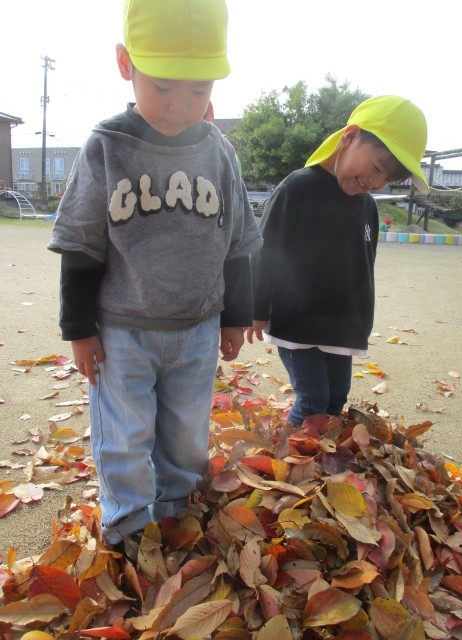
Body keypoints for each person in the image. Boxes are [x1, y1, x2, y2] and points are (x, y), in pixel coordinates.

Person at [48, 0, 262, 546]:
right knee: (126, 435)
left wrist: (234, 317)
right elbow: (81, 244)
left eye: (198, 90)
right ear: (126, 64)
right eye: (163, 86)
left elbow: (237, 243)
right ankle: (127, 525)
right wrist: (79, 329)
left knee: (187, 435)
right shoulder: (107, 146)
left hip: (197, 328)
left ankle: (175, 513)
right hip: (123, 331)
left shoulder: (219, 152)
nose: (179, 105)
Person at [247, 95, 428, 425]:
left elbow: (364, 267)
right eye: (377, 168)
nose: (376, 182)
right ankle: (288, 455)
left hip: (341, 327)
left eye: (387, 180)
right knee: (313, 400)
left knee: (335, 399)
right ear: (350, 137)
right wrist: (258, 309)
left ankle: (319, 454)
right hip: (298, 320)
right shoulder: (298, 187)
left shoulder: (367, 206)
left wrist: (360, 323)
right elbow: (266, 248)